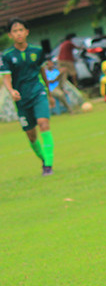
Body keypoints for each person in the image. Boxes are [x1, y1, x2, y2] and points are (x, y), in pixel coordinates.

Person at [2, 19, 55, 175]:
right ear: (10, 35)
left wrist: (49, 94)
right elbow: (6, 77)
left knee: (43, 123)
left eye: (21, 30)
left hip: (38, 92)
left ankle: (48, 166)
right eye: (15, 31)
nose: (18, 33)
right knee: (31, 135)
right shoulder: (7, 56)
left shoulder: (37, 51)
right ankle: (44, 160)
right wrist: (11, 91)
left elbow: (43, 72)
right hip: (21, 99)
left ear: (27, 32)